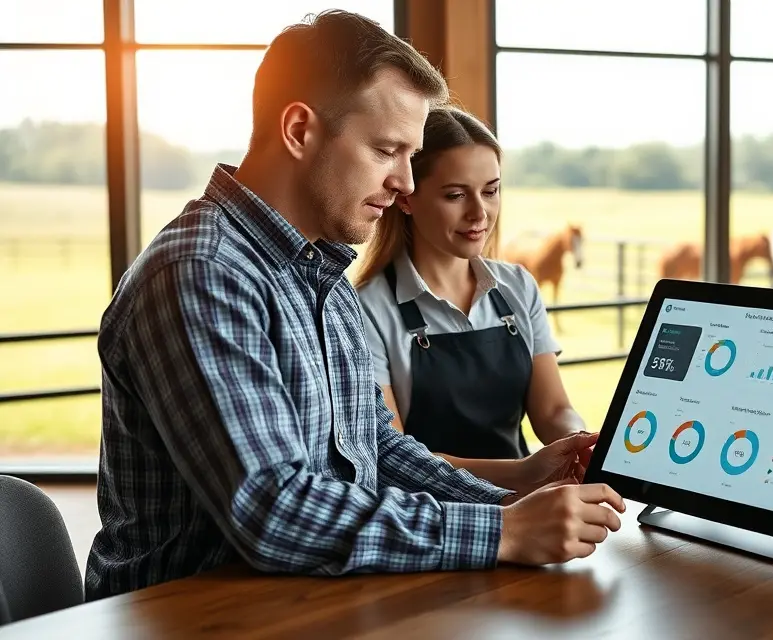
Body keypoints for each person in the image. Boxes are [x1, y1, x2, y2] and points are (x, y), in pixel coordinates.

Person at [85, 10, 624, 601]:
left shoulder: (321, 272)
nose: (406, 184)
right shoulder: (202, 272)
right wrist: (502, 530)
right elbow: (272, 509)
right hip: (187, 616)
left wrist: (512, 503)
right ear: (299, 130)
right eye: (387, 150)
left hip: (304, 602)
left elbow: (375, 447)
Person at [355, 106, 585, 463]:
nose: (480, 213)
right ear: (406, 198)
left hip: (532, 490)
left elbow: (554, 412)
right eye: (456, 195)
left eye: (490, 191)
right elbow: (396, 459)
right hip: (432, 499)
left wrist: (582, 444)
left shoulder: (518, 287)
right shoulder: (367, 309)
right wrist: (525, 473)